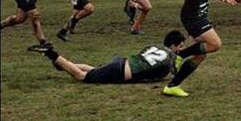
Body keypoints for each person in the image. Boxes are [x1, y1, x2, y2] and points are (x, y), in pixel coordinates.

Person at [29, 30, 186, 84]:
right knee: (82, 77)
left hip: (122, 61)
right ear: (174, 45)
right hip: (121, 72)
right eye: (180, 46)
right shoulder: (170, 60)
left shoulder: (154, 46)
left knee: (94, 70)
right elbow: (167, 74)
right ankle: (51, 53)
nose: (180, 50)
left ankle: (62, 64)